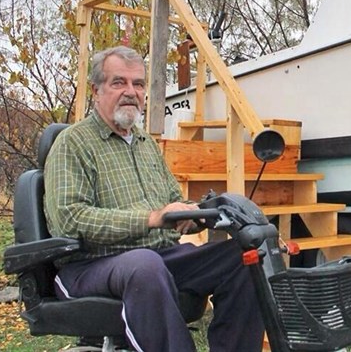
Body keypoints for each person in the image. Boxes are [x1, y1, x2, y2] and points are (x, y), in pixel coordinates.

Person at [44, 46, 264, 352]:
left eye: (138, 84)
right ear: (96, 90)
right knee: (144, 265)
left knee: (242, 257)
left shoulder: (145, 144)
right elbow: (70, 219)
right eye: (118, 82)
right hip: (89, 266)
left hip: (159, 257)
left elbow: (173, 202)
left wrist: (199, 213)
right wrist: (152, 218)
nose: (131, 92)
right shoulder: (73, 143)